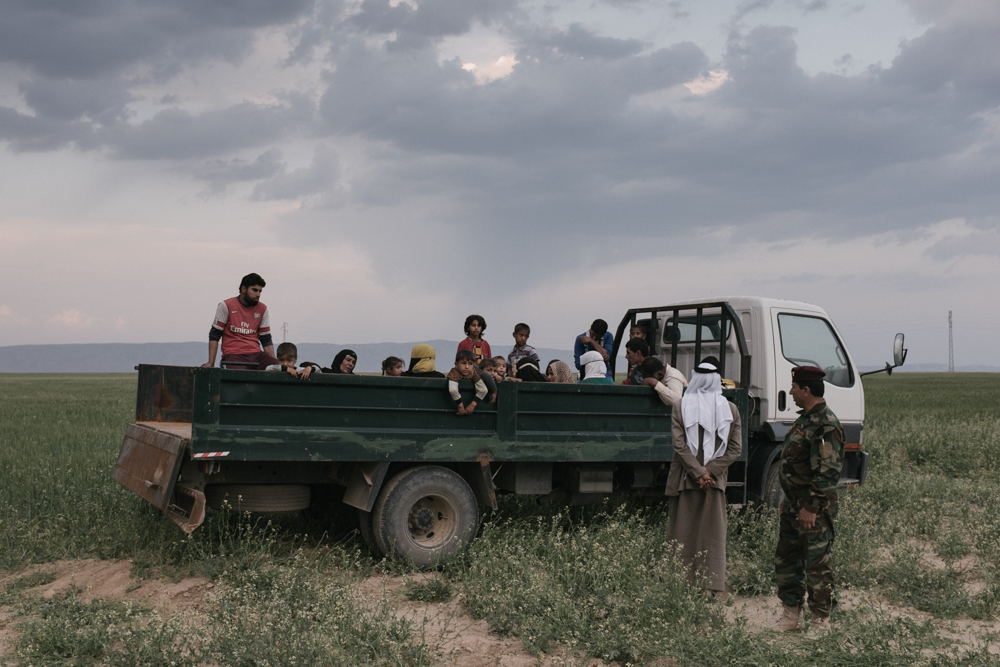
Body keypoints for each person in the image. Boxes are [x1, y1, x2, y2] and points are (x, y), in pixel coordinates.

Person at [774, 366, 844, 633]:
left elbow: (828, 473)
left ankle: (820, 621)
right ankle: (791, 615)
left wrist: (811, 508)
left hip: (812, 508)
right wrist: (788, 499)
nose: (790, 391)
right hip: (794, 504)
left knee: (816, 565)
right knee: (788, 560)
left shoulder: (825, 424)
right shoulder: (805, 419)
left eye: (794, 387)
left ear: (806, 390)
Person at [665, 356, 742, 597]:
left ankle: (680, 583)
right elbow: (735, 450)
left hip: (685, 479)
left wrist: (697, 473)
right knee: (712, 533)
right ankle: (710, 586)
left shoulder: (680, 406)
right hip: (714, 481)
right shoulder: (730, 409)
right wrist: (710, 473)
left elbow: (679, 446)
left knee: (682, 530)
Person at [203, 273, 277, 370]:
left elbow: (266, 338)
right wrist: (211, 362)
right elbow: (215, 334)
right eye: (254, 290)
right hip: (233, 354)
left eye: (260, 291)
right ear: (243, 289)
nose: (258, 294)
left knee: (280, 370)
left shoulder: (262, 308)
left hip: (256, 355)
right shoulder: (226, 305)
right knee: (239, 377)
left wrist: (275, 364)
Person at [448, 349, 488, 415]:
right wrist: (460, 406)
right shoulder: (454, 373)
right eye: (463, 363)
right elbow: (452, 390)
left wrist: (472, 405)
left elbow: (483, 390)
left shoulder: (473, 373)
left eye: (470, 364)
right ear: (456, 364)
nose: (467, 367)